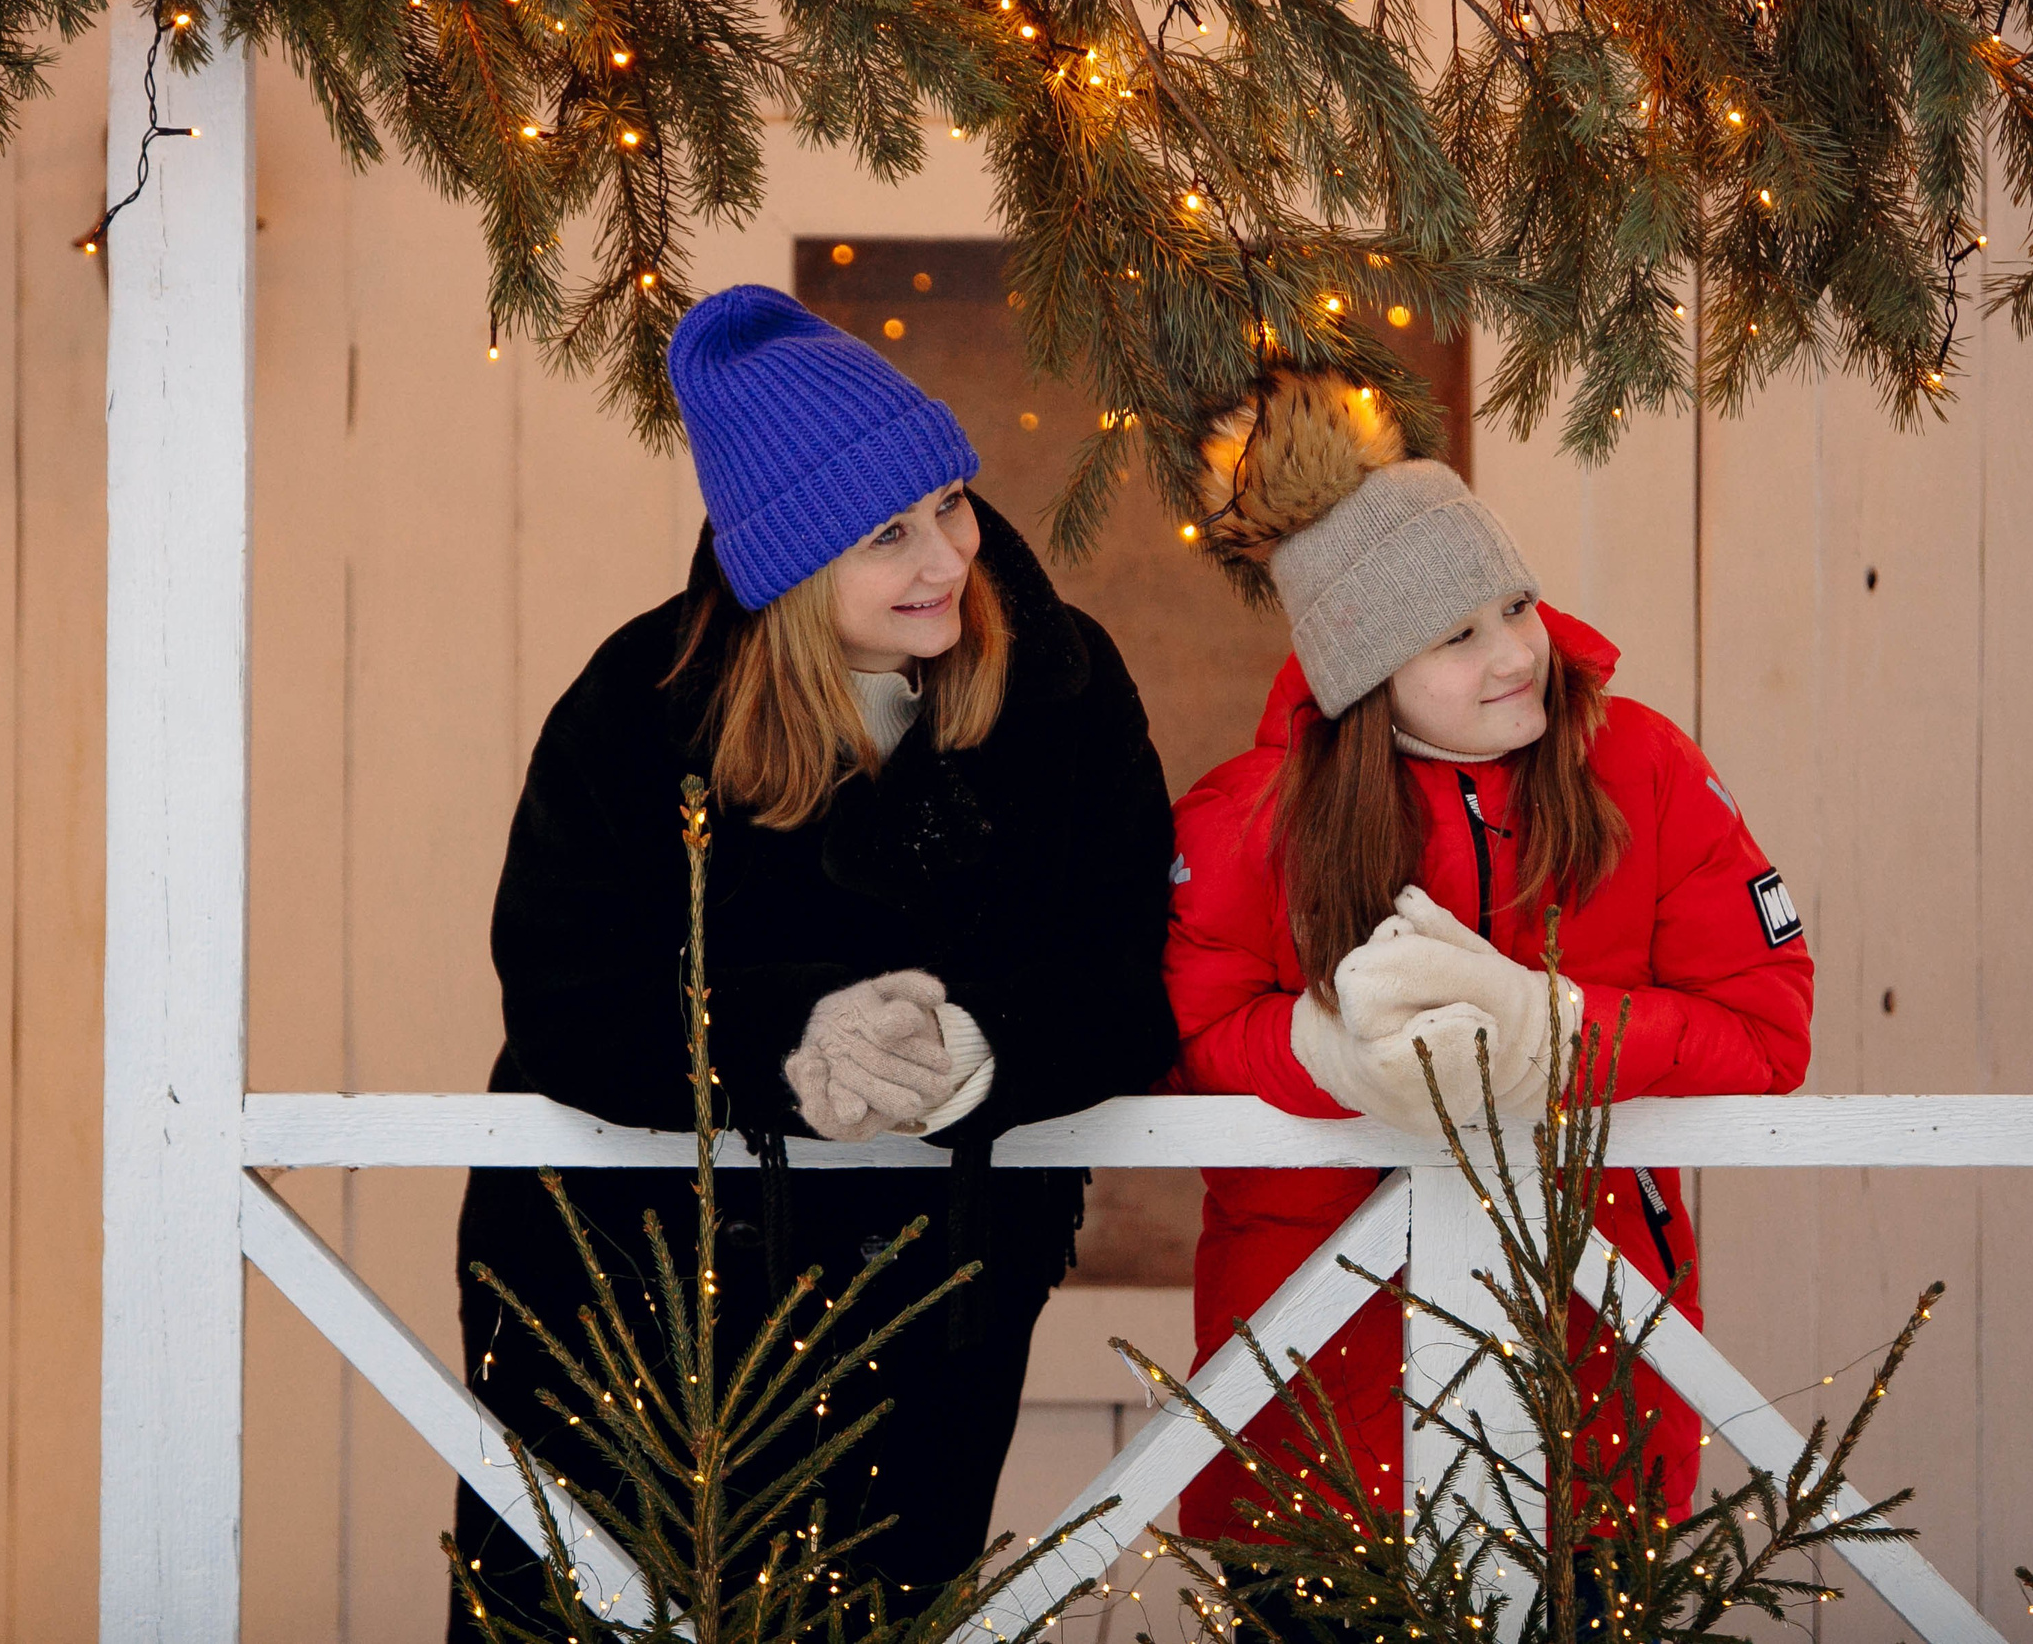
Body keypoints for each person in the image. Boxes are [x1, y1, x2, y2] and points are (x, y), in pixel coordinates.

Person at [450, 285, 1179, 1638]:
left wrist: (986, 1055)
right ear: (786, 564)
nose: (945, 557)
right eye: (885, 534)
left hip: (935, 1293)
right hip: (630, 1288)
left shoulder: (1058, 697)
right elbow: (563, 993)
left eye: (949, 505)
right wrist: (786, 1052)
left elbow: (1130, 976)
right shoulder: (640, 704)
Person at [1161, 372, 1813, 1584]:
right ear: (1365, 669)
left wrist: (1557, 1031)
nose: (1518, 651)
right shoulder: (1250, 818)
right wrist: (1328, 1053)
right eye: (1456, 633)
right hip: (1313, 1416)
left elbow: (1765, 1029)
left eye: (1515, 603)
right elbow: (1195, 1033)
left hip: (1594, 1393)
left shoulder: (1644, 771)